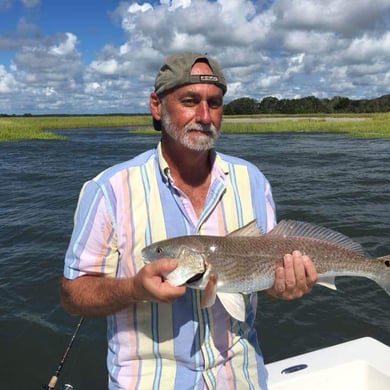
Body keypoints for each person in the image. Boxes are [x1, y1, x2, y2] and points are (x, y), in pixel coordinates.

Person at [60, 52, 318, 390]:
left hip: (241, 379)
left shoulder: (252, 180)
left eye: (215, 103)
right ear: (157, 106)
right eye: (189, 101)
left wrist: (284, 285)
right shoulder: (109, 189)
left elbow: (262, 277)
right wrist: (135, 288)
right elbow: (72, 294)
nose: (205, 116)